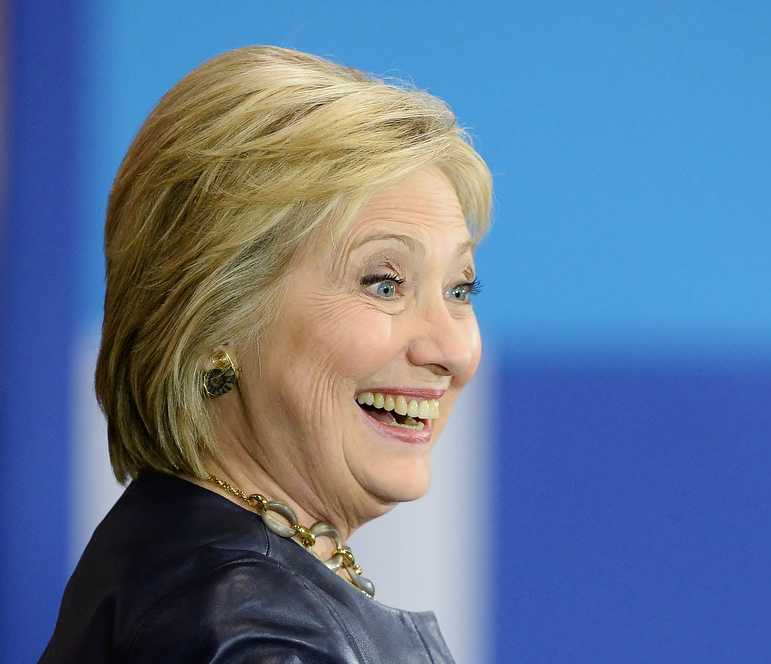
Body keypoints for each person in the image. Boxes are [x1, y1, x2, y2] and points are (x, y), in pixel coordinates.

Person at [39, 45, 491, 663]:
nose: (453, 350)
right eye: (384, 284)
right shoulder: (245, 631)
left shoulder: (200, 573)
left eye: (459, 289)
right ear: (216, 316)